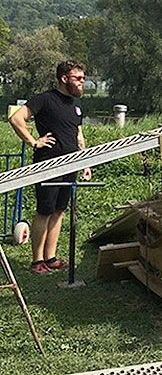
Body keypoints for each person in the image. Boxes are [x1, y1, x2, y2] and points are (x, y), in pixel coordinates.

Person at [9, 60, 92, 275]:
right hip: (48, 163)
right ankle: (37, 261)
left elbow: (78, 135)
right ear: (64, 78)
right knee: (45, 210)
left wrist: (84, 162)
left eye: (84, 78)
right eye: (78, 78)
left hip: (71, 163)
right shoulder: (44, 100)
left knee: (59, 210)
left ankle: (51, 257)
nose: (82, 82)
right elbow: (16, 118)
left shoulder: (75, 104)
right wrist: (33, 142)